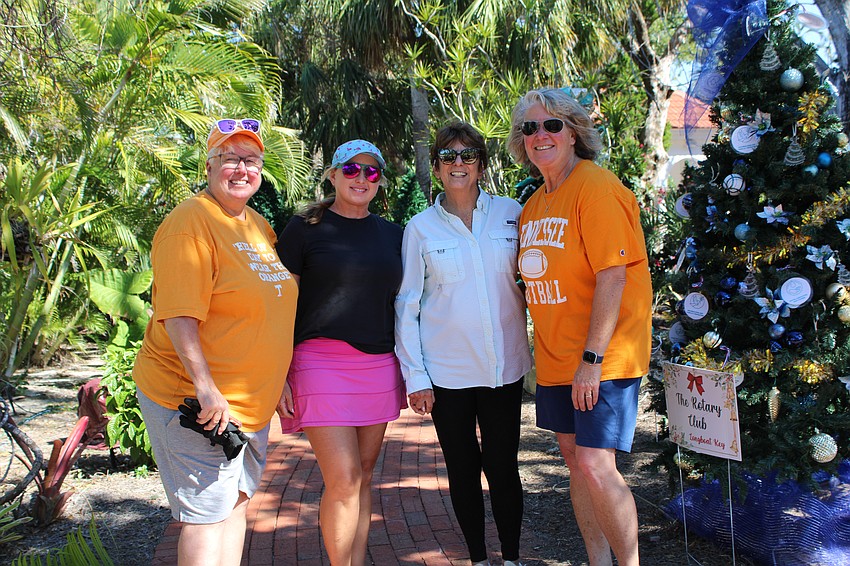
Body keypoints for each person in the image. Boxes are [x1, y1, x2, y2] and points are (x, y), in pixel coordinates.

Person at [133, 118, 298, 566]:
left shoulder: (257, 226)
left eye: (251, 160)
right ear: (209, 167)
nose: (241, 169)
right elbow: (179, 315)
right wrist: (205, 387)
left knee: (236, 506)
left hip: (249, 404)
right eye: (230, 159)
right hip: (198, 403)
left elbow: (266, 307)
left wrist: (276, 375)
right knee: (206, 518)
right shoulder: (191, 223)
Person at [507, 88, 652, 566]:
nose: (540, 135)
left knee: (595, 464)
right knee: (576, 464)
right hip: (556, 360)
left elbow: (614, 274)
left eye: (552, 125)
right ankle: (598, 561)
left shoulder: (596, 187)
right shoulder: (533, 206)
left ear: (574, 133)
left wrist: (591, 361)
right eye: (530, 128)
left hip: (601, 358)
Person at [395, 122, 532, 566]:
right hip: (447, 373)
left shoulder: (512, 213)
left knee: (503, 468)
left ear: (481, 165)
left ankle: (509, 558)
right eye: (449, 157)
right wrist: (416, 376)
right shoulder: (420, 229)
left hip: (503, 370)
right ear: (436, 168)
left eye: (468, 155)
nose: (459, 164)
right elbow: (408, 305)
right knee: (463, 472)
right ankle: (477, 558)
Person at [275, 140, 405, 566]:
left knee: (364, 477)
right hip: (318, 362)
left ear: (379, 181)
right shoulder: (303, 228)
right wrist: (279, 372)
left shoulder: (393, 235)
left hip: (379, 365)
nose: (361, 179)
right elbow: (280, 305)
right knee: (345, 479)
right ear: (332, 175)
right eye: (351, 170)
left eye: (371, 172)